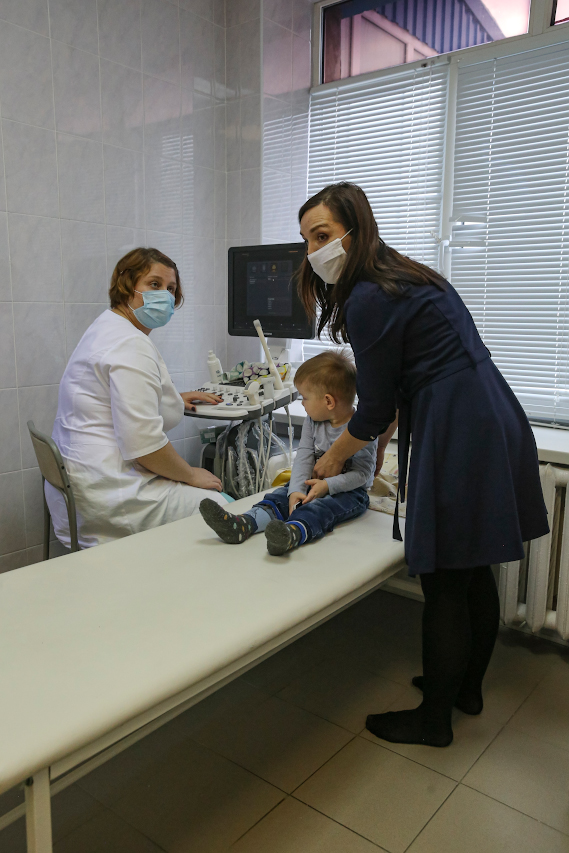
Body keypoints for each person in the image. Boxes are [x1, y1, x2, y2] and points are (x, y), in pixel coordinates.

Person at [296, 182, 549, 748]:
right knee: (473, 568)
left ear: (354, 231)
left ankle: (433, 721)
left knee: (445, 583)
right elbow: (393, 394)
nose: (313, 252)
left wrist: (331, 459)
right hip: (489, 412)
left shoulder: (368, 297)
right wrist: (379, 446)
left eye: (322, 235)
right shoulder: (407, 277)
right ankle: (464, 690)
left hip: (461, 427)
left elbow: (373, 408)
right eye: (307, 240)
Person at [46, 247, 228, 549]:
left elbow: (110, 396)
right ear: (127, 285)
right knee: (223, 508)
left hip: (82, 486)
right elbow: (144, 445)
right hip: (113, 496)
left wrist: (170, 398)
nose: (165, 296)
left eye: (171, 289)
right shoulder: (130, 344)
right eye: (154, 284)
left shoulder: (106, 327)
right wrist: (190, 474)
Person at [199, 350, 377, 555]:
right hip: (313, 483)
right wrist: (296, 490)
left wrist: (328, 486)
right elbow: (304, 456)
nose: (302, 403)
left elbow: (363, 475)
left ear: (328, 401)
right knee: (279, 496)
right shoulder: (313, 421)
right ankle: (243, 524)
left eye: (305, 398)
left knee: (322, 508)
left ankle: (291, 533)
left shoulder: (363, 430)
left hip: (349, 492)